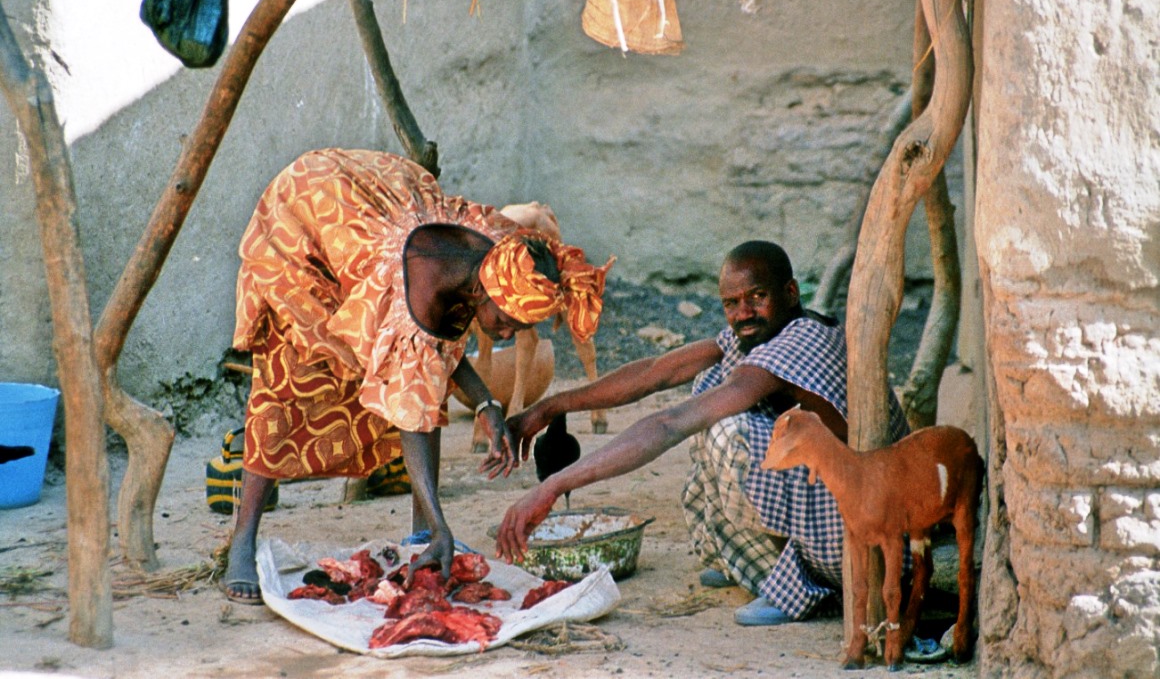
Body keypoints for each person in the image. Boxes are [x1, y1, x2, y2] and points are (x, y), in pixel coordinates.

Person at [222, 148, 613, 604]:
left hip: (372, 203)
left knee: (418, 383)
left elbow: (438, 352)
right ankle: (243, 542)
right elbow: (416, 408)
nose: (506, 333)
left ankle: (420, 534)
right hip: (303, 222)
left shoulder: (499, 251)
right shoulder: (419, 286)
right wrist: (445, 526)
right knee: (287, 384)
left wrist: (487, 405)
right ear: (482, 290)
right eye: (505, 322)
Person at [495, 240, 909, 626]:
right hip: (839, 502)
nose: (743, 312)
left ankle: (793, 589)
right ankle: (745, 562)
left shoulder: (796, 343)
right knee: (715, 390)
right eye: (732, 303)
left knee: (728, 430)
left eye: (757, 298)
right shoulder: (760, 333)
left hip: (869, 530)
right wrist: (550, 406)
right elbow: (655, 372)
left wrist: (552, 486)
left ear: (791, 292)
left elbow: (670, 423)